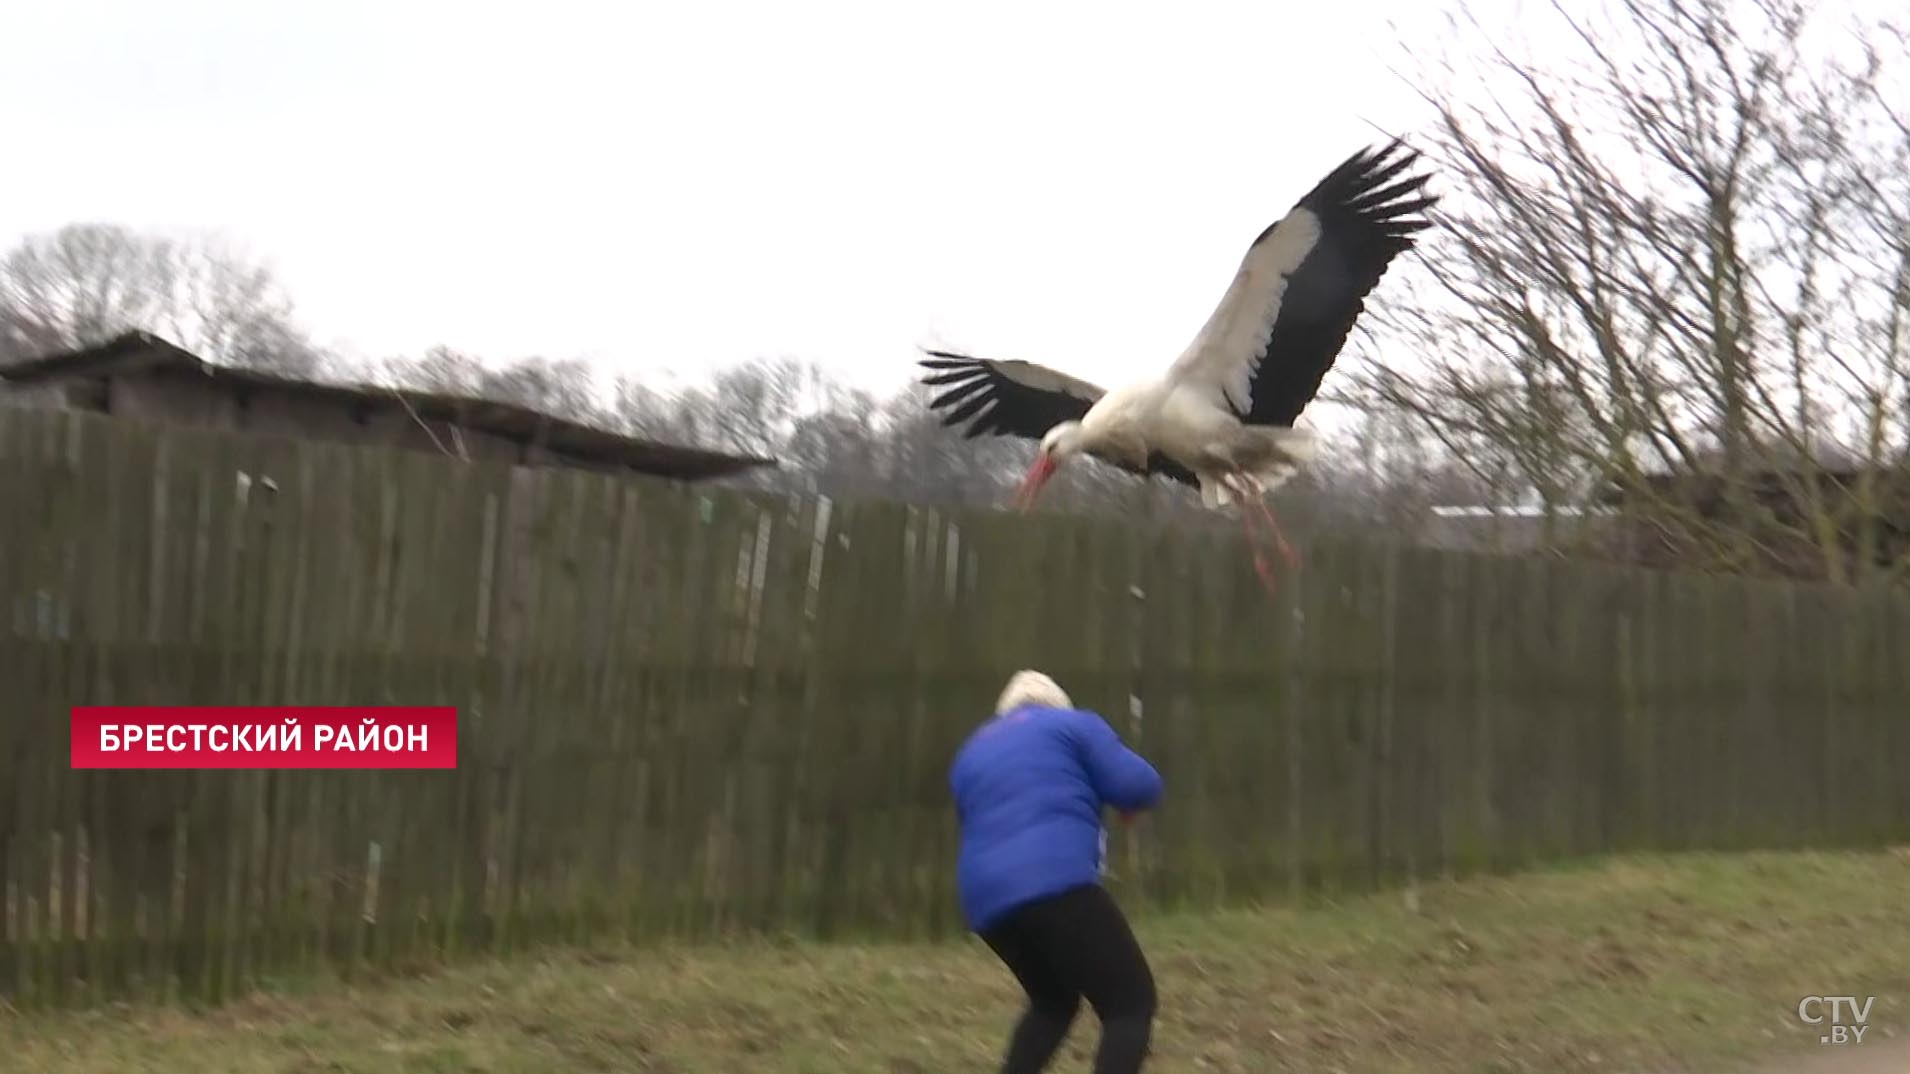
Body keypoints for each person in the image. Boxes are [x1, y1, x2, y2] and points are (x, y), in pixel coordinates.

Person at [948, 669, 1164, 1074]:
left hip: (987, 902)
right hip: (1057, 881)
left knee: (1053, 1002)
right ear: (1057, 703)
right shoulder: (1073, 725)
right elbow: (1140, 784)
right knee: (1129, 1004)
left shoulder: (971, 753)